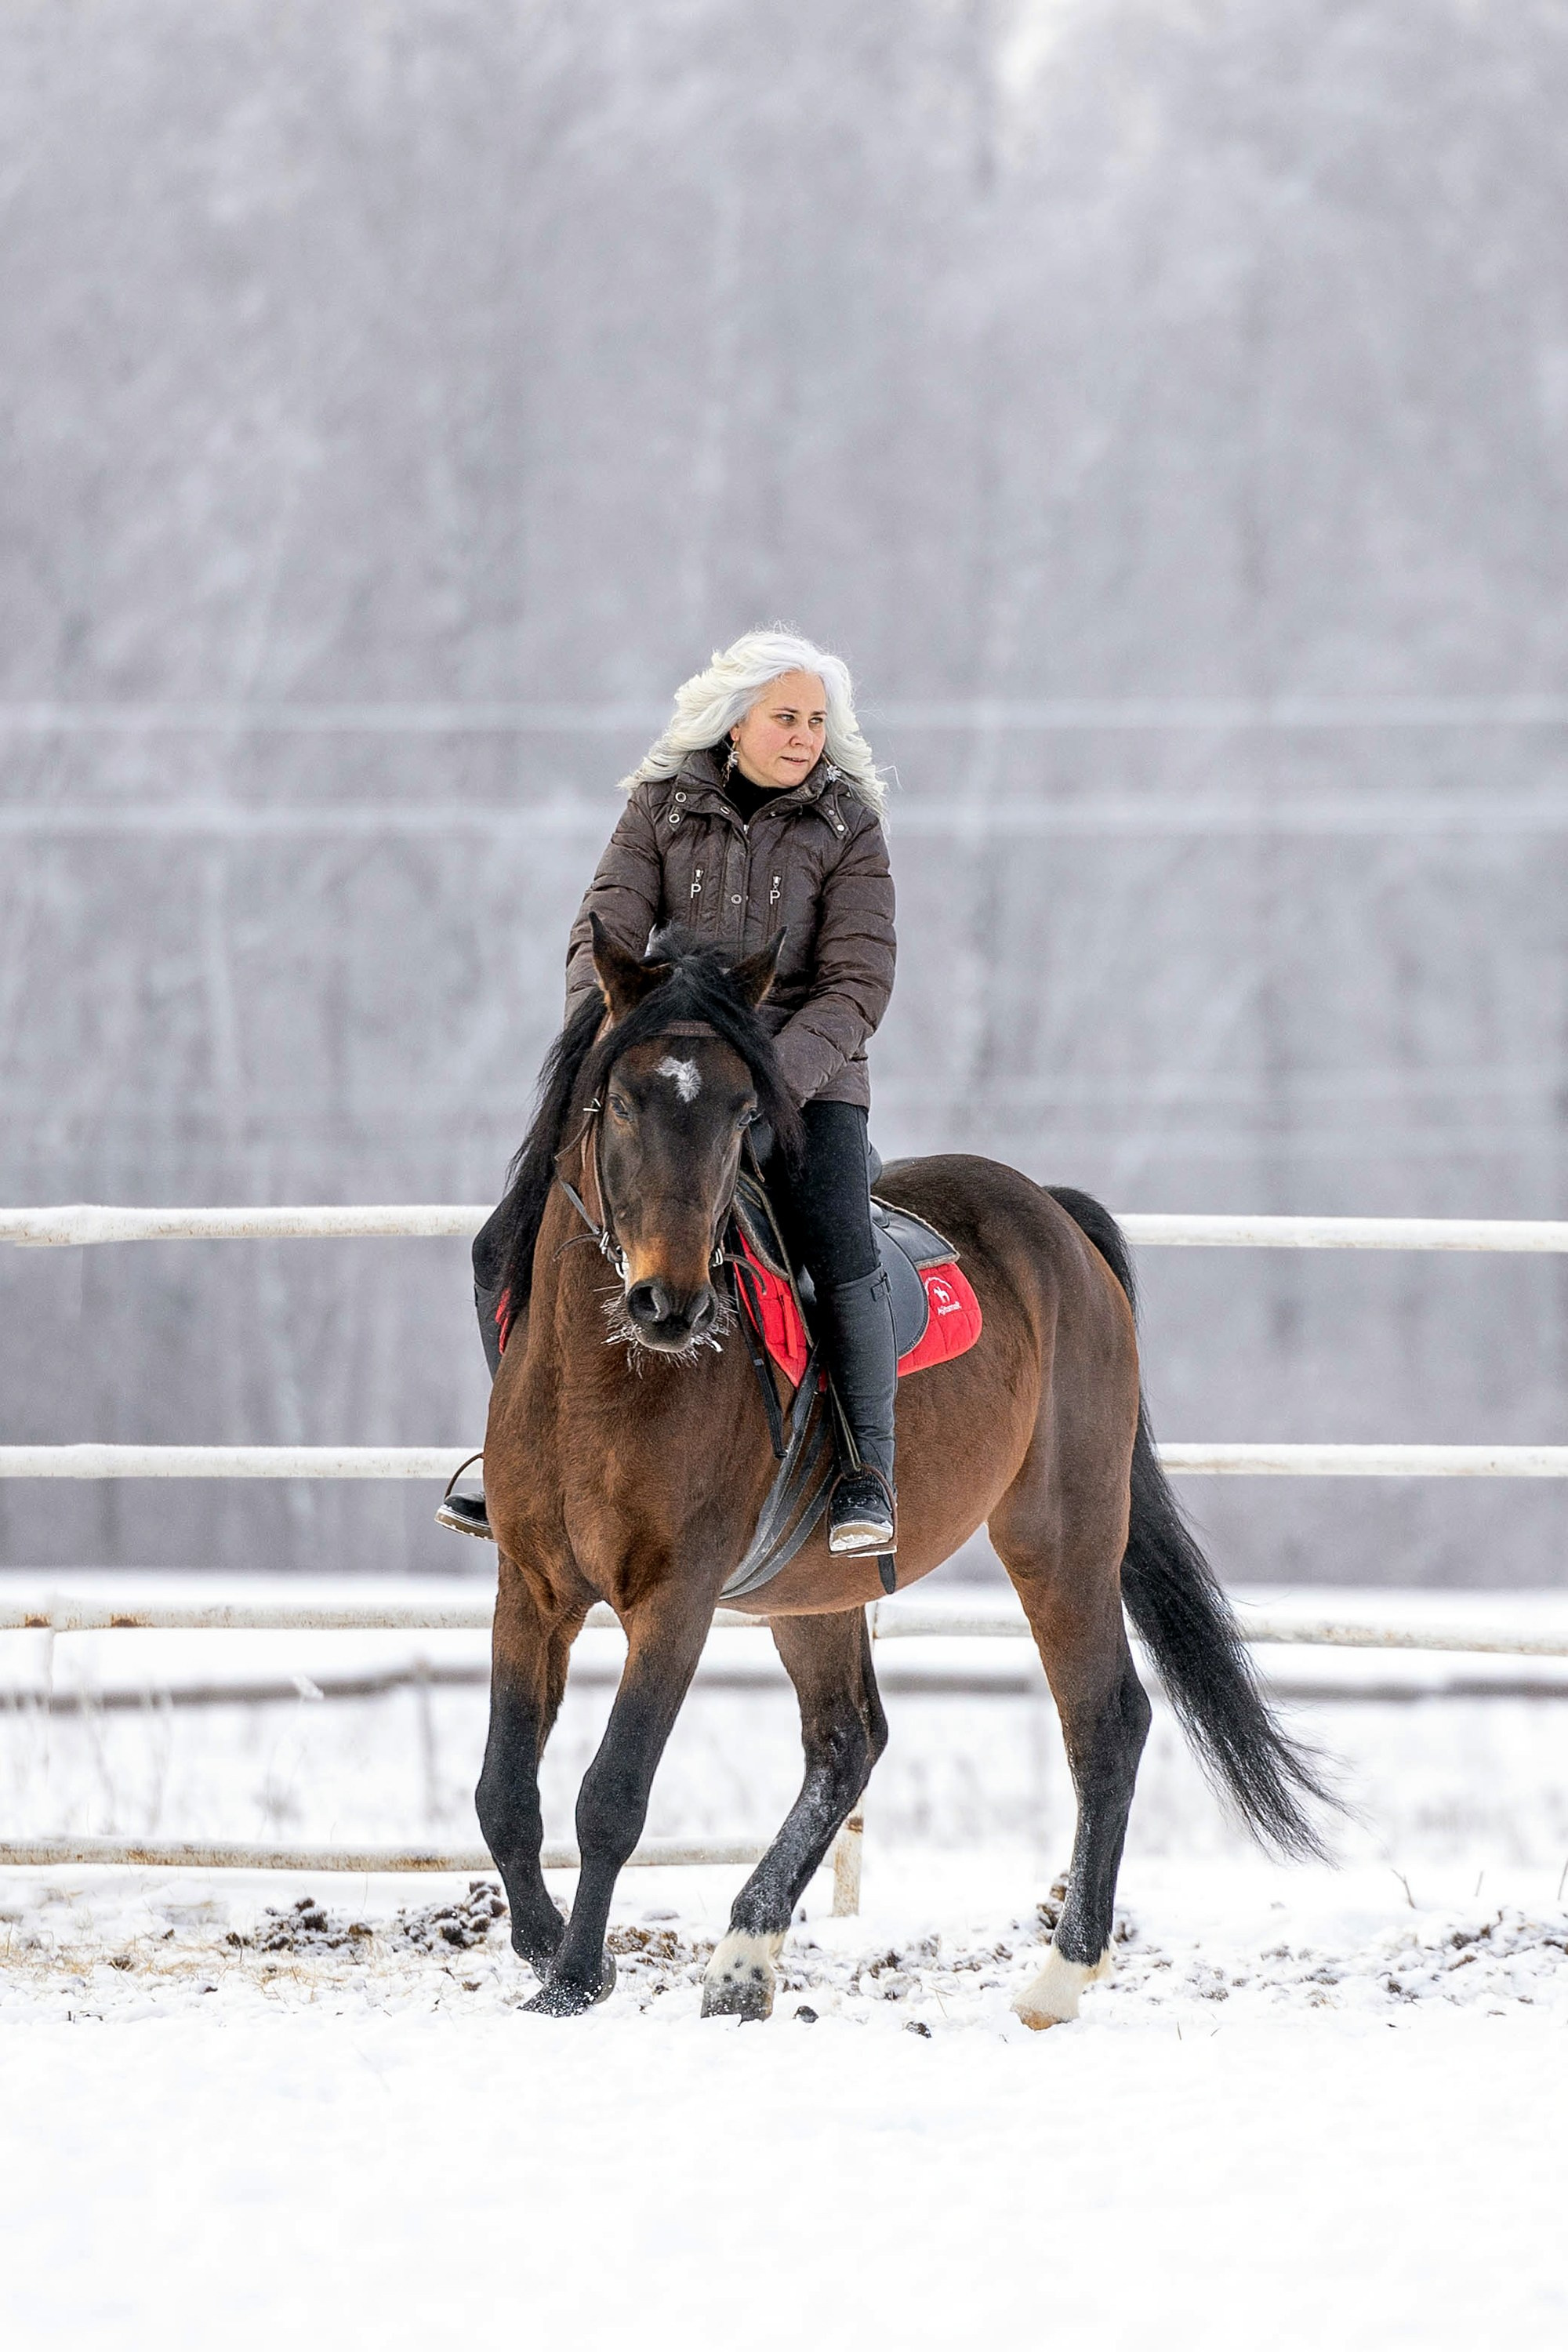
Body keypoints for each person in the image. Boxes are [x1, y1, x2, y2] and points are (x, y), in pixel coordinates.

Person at [441, 627, 898, 1554]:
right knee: (504, 1241)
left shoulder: (849, 826)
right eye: (785, 717)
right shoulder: (658, 807)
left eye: (816, 719)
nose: (804, 734)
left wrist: (768, 1082)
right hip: (655, 1080)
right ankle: (518, 1458)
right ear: (734, 723)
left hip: (798, 1086)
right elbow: (597, 936)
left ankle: (864, 1476)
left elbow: (857, 987)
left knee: (843, 1248)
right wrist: (612, 1042)